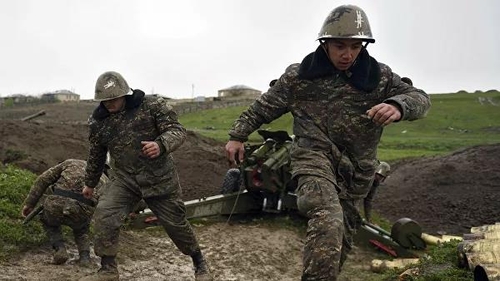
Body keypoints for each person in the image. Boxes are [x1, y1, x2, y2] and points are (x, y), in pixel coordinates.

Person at [224, 4, 431, 280]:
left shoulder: (379, 77)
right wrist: (237, 136)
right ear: (325, 43)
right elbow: (262, 108)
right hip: (313, 158)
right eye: (339, 46)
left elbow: (420, 98)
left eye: (355, 47)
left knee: (340, 240)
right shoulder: (299, 77)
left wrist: (398, 105)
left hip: (356, 171)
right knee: (327, 217)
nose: (347, 55)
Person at [80, 71, 212, 281]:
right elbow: (96, 154)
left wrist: (160, 145)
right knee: (105, 214)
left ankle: (200, 263)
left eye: (113, 99)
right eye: (105, 101)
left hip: (159, 179)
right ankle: (108, 269)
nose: (109, 104)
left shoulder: (151, 106)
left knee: (175, 225)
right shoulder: (99, 121)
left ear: (125, 94)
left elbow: (177, 131)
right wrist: (90, 183)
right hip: (124, 180)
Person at [21, 159, 108, 266]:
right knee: (82, 229)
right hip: (81, 210)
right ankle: (85, 258)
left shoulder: (70, 163)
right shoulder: (105, 179)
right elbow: (108, 205)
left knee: (48, 220)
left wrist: (30, 204)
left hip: (57, 204)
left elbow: (43, 180)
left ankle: (59, 249)